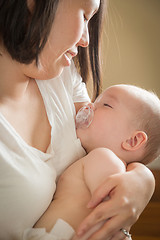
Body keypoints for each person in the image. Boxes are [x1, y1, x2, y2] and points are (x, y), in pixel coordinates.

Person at [0, 0, 155, 240]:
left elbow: (122, 140)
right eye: (84, 16)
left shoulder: (62, 76)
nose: (86, 40)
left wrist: (143, 179)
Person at [25, 84, 160, 240]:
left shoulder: (105, 158)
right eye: (95, 101)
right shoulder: (97, 160)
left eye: (106, 105)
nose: (88, 106)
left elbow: (109, 212)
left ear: (132, 140)